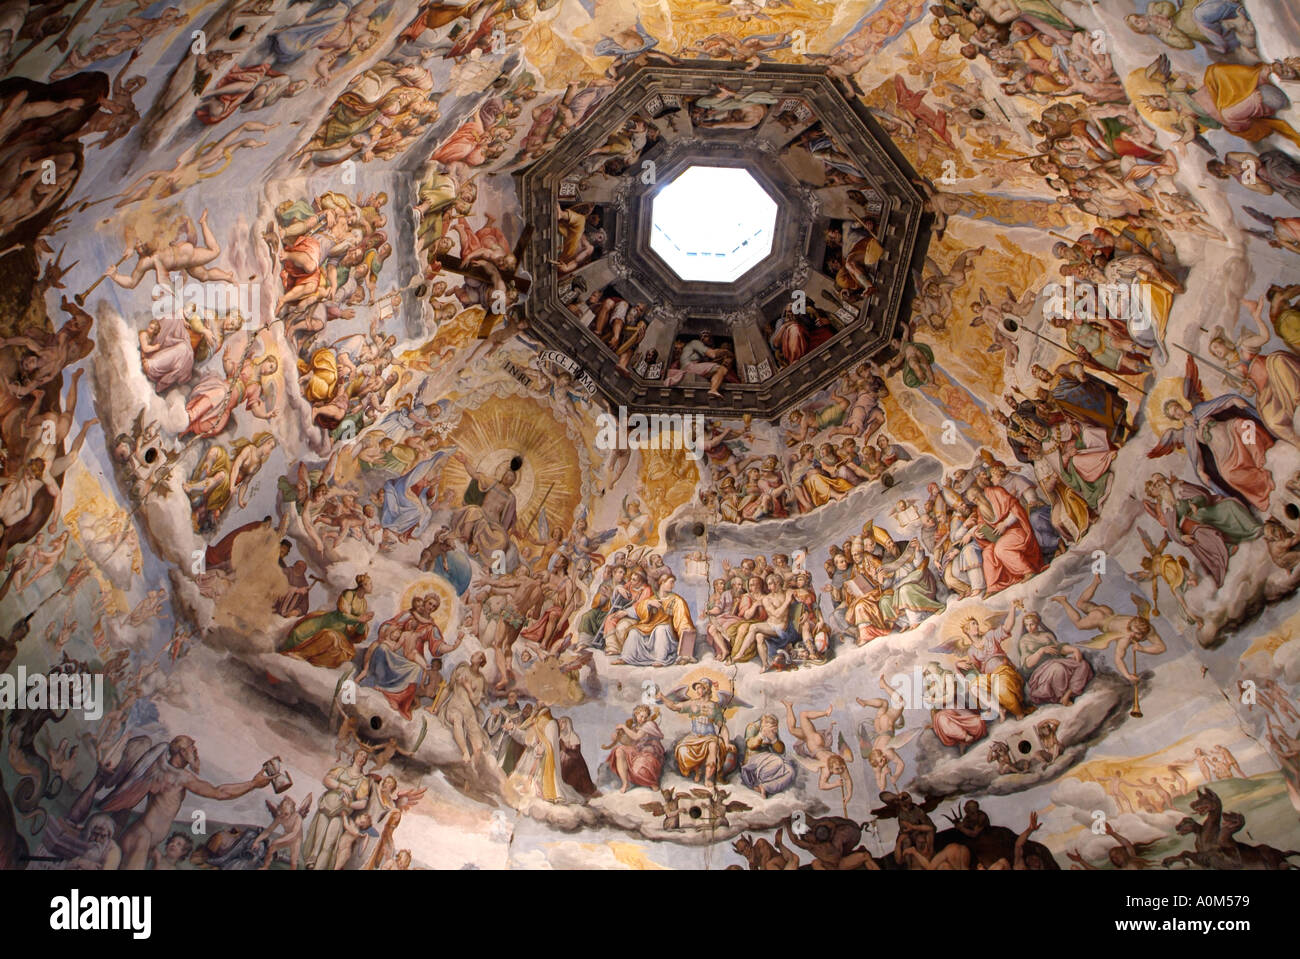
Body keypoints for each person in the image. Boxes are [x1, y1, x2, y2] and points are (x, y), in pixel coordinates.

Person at [99, 735, 271, 870]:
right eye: (191, 747)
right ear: (181, 751)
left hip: (146, 839)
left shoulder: (173, 772)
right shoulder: (178, 777)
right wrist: (253, 784)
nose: (195, 751)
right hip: (141, 837)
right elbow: (219, 792)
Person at [1018, 610, 1093, 706]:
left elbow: (1059, 648)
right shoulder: (1024, 640)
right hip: (1040, 671)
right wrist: (1041, 651)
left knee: (1082, 664)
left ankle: (1068, 694)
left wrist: (1074, 650)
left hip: (1056, 661)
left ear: (1037, 623)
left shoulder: (1047, 635)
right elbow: (1027, 664)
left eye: (1032, 624)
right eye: (1026, 625)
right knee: (1058, 668)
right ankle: (1060, 697)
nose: (1029, 628)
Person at [603, 705, 665, 792]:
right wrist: (618, 737)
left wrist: (624, 727)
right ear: (636, 714)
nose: (643, 719)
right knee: (619, 751)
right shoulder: (635, 727)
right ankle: (625, 783)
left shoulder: (649, 725)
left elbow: (636, 737)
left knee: (640, 768)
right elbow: (631, 743)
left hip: (650, 754)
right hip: (638, 752)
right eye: (641, 716)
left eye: (645, 717)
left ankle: (652, 782)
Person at [739, 714, 797, 798]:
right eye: (772, 728)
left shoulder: (771, 729)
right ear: (763, 723)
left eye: (775, 728)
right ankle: (757, 781)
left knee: (790, 771)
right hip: (753, 762)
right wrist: (761, 734)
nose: (774, 730)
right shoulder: (752, 727)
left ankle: (764, 787)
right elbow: (750, 745)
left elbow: (781, 750)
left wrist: (774, 739)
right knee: (777, 762)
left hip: (769, 760)